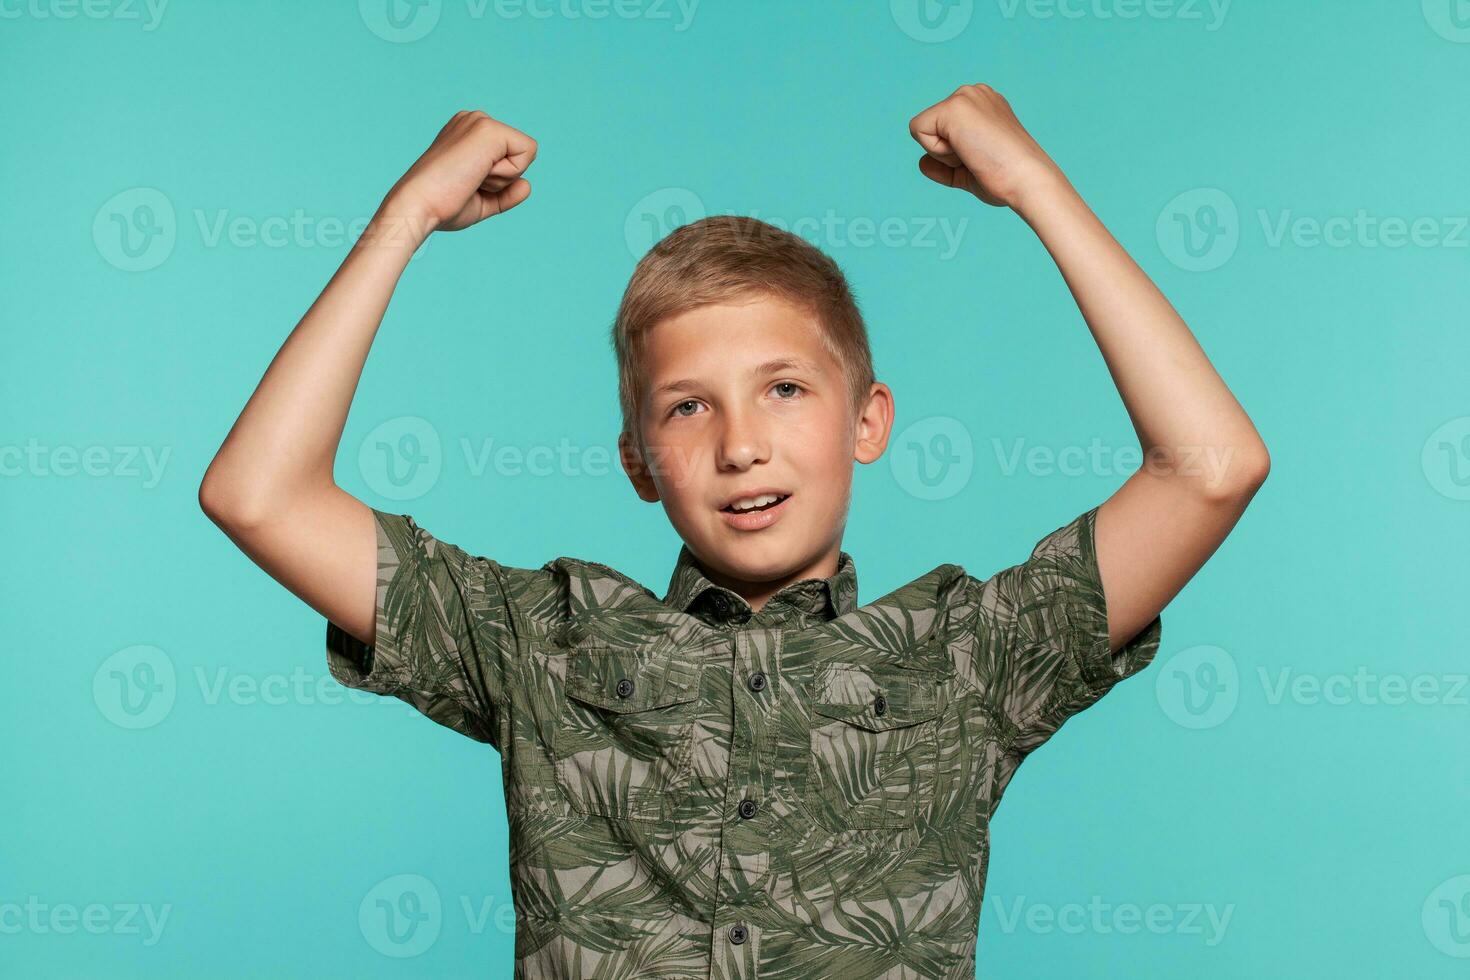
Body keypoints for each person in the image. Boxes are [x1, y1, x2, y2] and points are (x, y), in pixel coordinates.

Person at [199, 85, 1268, 978]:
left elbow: (1213, 468)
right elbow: (261, 492)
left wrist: (1038, 189)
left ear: (868, 420)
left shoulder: (969, 655)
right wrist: (407, 216)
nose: (741, 443)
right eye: (687, 405)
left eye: (786, 388)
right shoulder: (539, 642)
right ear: (637, 460)